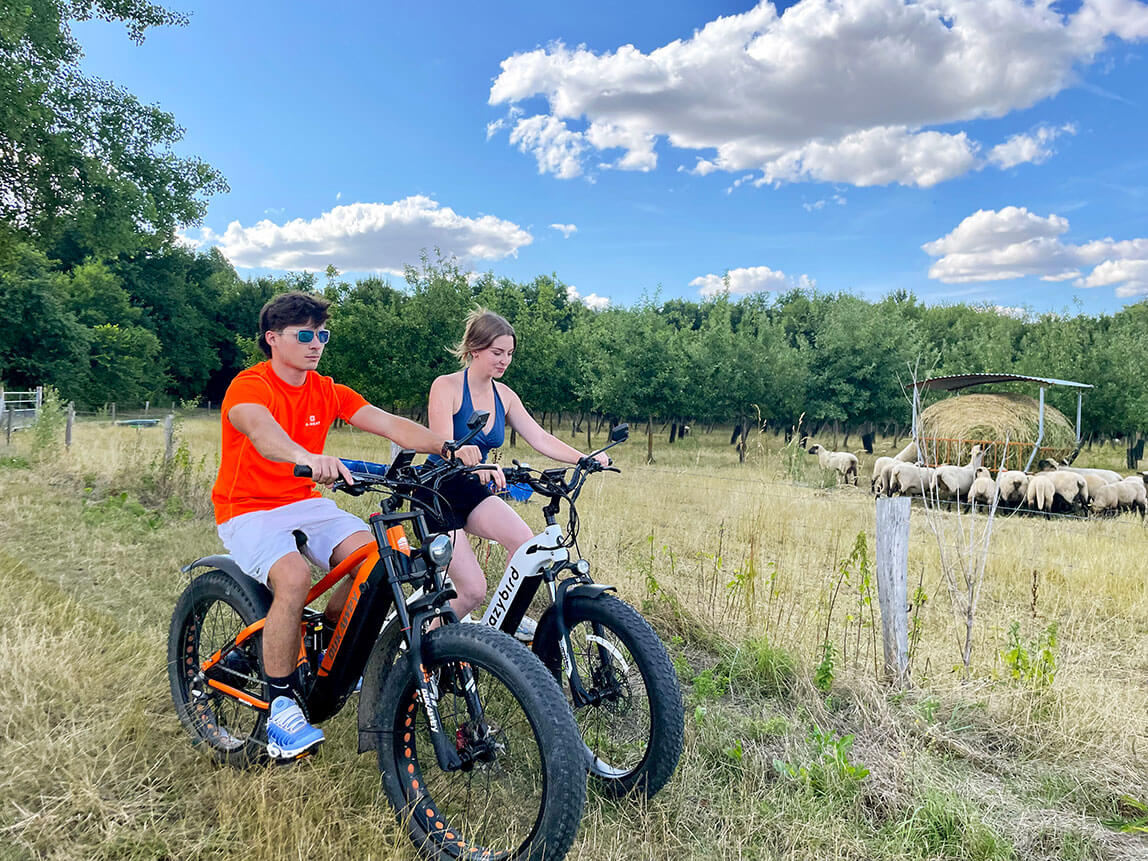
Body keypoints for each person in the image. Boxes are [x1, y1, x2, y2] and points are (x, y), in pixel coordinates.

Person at [211, 291, 473, 759]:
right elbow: (260, 431)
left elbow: (389, 423)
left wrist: (445, 448)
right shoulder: (251, 386)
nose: (317, 344)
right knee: (292, 576)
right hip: (248, 507)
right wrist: (305, 456)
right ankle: (282, 707)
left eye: (323, 335)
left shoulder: (327, 389)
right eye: (305, 335)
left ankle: (334, 651)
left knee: (376, 557)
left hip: (304, 502)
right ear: (273, 339)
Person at [422, 308, 608, 626]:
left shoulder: (504, 395)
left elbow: (539, 437)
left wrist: (583, 458)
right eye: (497, 352)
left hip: (471, 487)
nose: (504, 360)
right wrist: (469, 458)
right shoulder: (447, 386)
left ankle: (499, 623)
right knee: (471, 591)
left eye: (509, 353)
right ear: (474, 349)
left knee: (526, 546)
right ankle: (428, 648)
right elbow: (443, 442)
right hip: (437, 488)